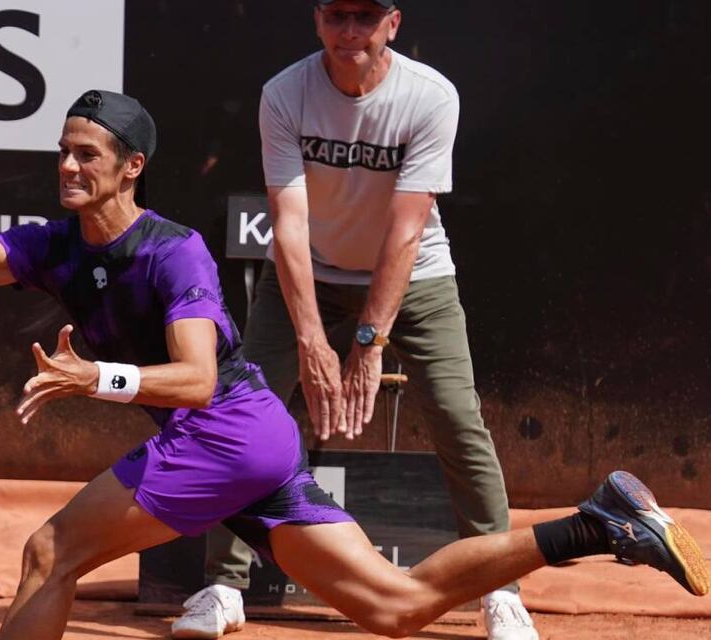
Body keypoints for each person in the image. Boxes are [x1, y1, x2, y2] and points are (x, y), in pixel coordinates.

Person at [0, 90, 708, 640]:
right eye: (63, 150)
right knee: (393, 609)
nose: (67, 165)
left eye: (88, 155)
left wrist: (93, 379)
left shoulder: (173, 254)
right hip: (258, 442)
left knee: (50, 553)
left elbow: (197, 381)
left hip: (225, 430)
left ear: (130, 169)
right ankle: (596, 525)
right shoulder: (51, 246)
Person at [175, 1, 533, 639]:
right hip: (311, 271)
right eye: (337, 16)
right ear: (317, 20)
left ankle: (497, 587)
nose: (349, 33)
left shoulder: (430, 98)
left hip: (415, 275)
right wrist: (312, 338)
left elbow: (405, 227)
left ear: (393, 24)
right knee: (239, 411)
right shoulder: (284, 93)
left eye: (364, 18)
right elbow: (287, 221)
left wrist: (369, 342)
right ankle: (223, 586)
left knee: (456, 416)